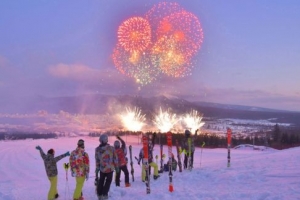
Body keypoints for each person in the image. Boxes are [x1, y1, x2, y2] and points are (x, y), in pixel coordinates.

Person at [95, 134, 118, 200]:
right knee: (108, 182)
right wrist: (116, 167)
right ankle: (104, 195)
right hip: (110, 169)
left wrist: (97, 168)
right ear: (106, 140)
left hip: (102, 169)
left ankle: (99, 194)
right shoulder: (111, 148)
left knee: (101, 181)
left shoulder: (97, 150)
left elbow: (97, 160)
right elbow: (115, 158)